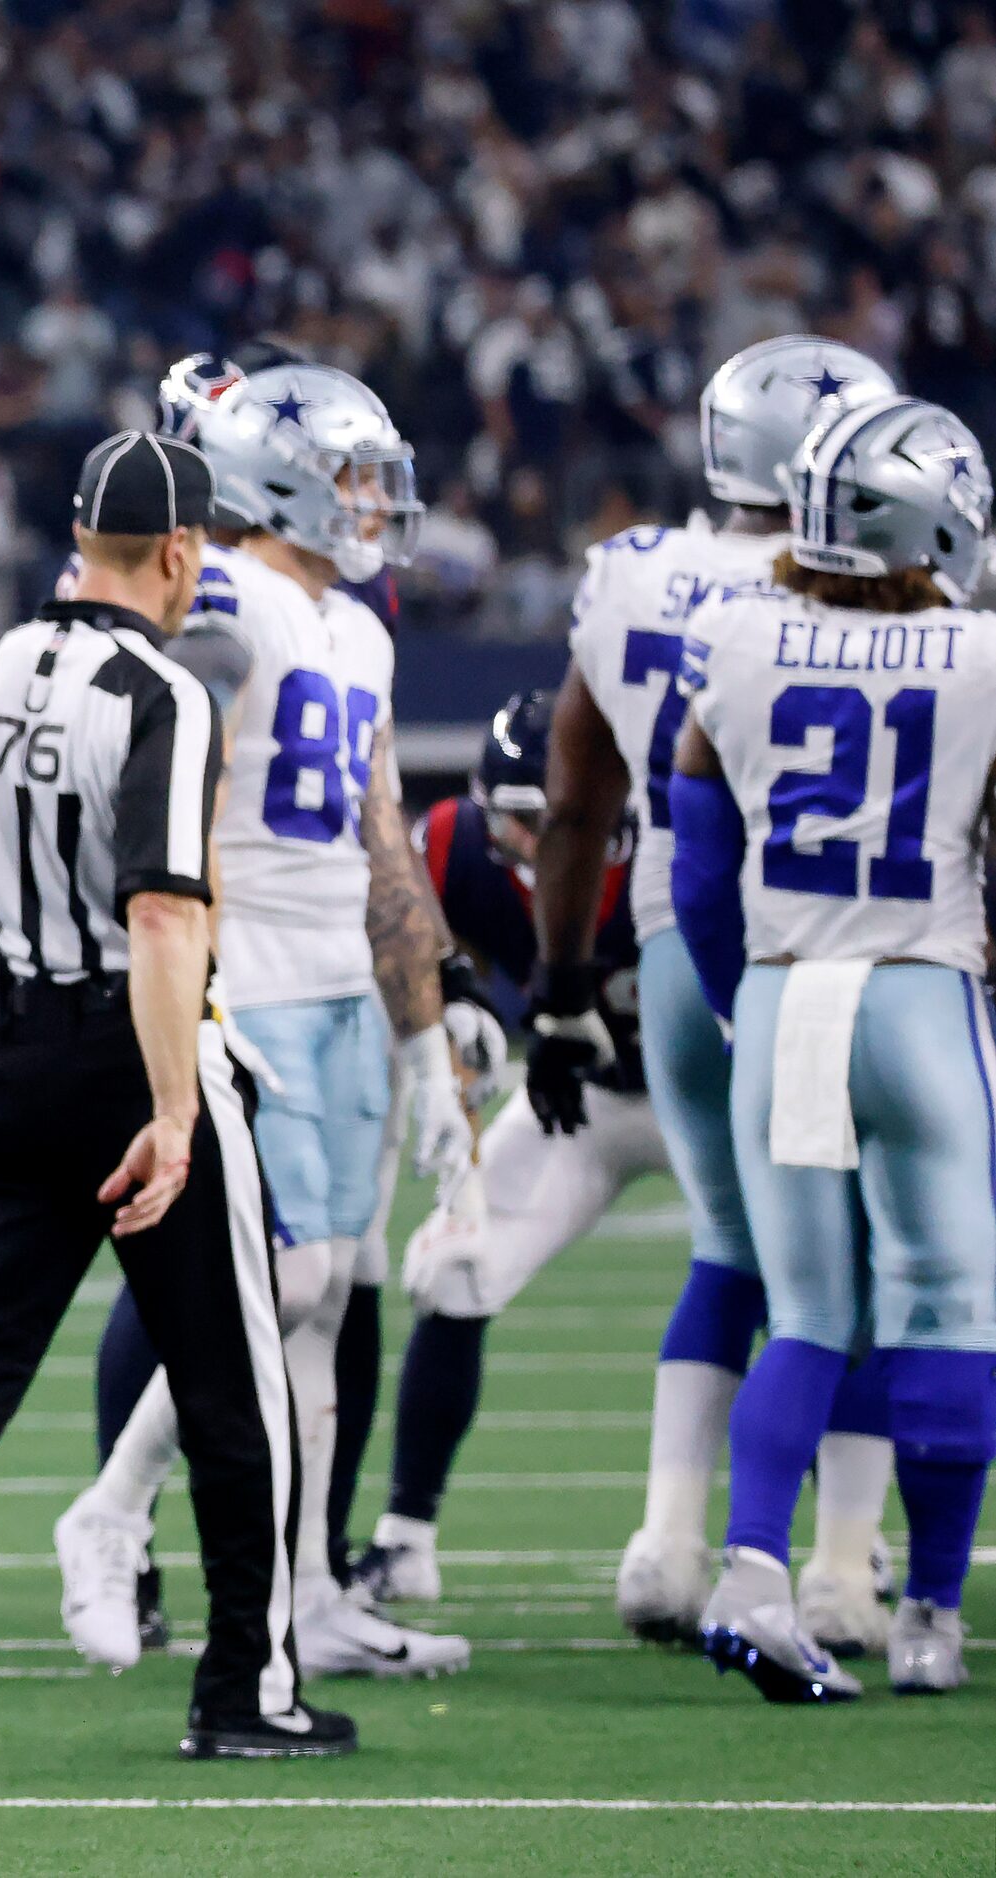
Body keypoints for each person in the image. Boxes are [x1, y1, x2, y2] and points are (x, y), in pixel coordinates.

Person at [0, 430, 353, 1773]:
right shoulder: (164, 690)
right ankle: (242, 1685)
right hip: (129, 1047)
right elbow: (165, 915)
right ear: (176, 555)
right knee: (235, 1378)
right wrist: (171, 1106)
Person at [55, 356, 474, 1681]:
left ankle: (307, 1590)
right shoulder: (226, 595)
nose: (372, 501)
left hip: (342, 981)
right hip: (252, 977)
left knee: (333, 1290)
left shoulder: (360, 629)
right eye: (354, 473)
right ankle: (112, 1508)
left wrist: (424, 1034)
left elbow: (382, 840)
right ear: (281, 477)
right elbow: (165, 743)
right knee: (282, 1282)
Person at [530, 336, 902, 1654]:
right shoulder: (877, 577)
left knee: (730, 1246)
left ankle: (664, 1542)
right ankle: (841, 1568)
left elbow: (574, 797)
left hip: (668, 945)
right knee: (854, 1260)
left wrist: (561, 985)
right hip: (830, 942)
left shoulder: (632, 570)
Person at [671, 393, 996, 1702]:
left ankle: (751, 1571)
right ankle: (925, 1609)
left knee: (803, 1311)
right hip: (921, 993)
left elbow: (697, 859)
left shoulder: (736, 635)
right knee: (950, 1301)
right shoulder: (979, 654)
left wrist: (734, 996)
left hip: (786, 993)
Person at [344, 693, 650, 1602]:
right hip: (578, 1104)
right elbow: (423, 961)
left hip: (704, 1103)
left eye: (544, 817)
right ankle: (405, 1540)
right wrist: (463, 1024)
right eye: (509, 818)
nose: (527, 840)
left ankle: (845, 1539)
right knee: (454, 1267)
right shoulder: (452, 846)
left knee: (809, 1295)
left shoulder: (667, 848)